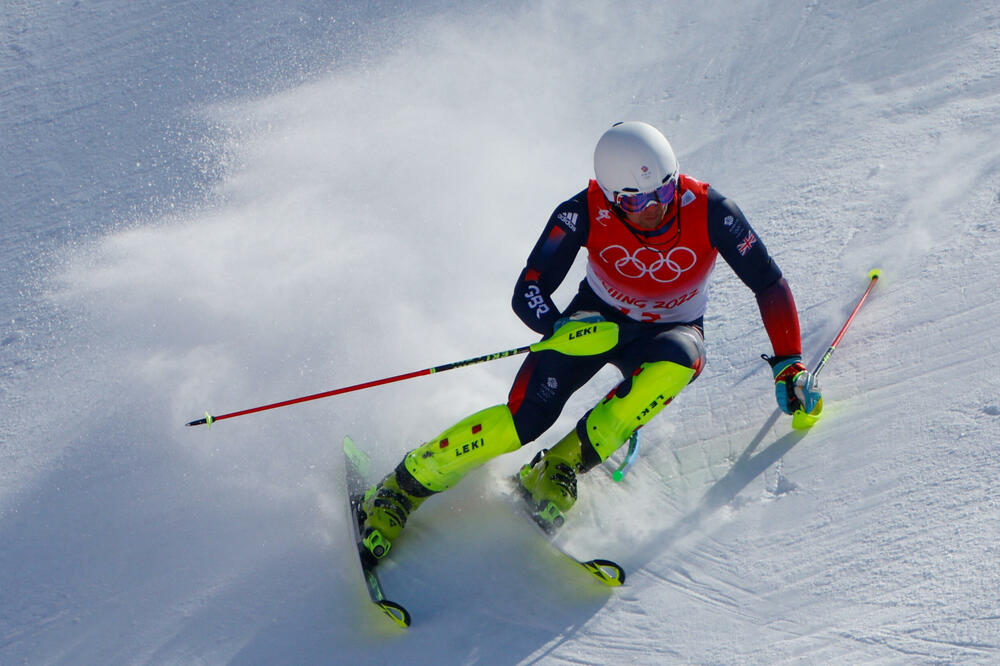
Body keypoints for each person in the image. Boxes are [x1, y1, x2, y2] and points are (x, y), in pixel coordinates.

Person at [356, 121, 821, 560]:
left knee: (682, 361)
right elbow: (529, 288)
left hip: (669, 330)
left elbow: (768, 282)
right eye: (639, 203)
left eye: (665, 191)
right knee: (524, 420)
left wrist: (789, 362)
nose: (658, 209)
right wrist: (559, 329)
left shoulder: (712, 211)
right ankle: (401, 485)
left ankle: (560, 464)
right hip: (595, 320)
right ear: (613, 197)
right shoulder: (581, 211)